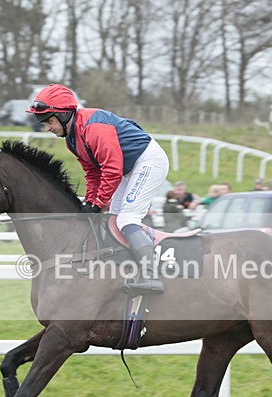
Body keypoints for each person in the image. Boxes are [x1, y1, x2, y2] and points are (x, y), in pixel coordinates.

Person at [29, 83, 169, 293]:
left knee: (127, 219)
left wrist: (96, 203)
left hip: (148, 162)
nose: (47, 127)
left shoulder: (94, 127)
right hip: (128, 168)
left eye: (49, 121)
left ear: (65, 114)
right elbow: (93, 172)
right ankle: (125, 268)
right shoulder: (72, 139)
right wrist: (89, 201)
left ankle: (151, 276)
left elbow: (111, 169)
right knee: (113, 219)